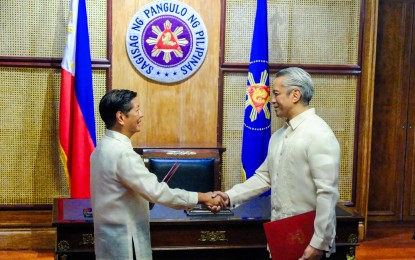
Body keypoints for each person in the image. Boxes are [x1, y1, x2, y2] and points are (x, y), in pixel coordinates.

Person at [212, 67, 340, 260]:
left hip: (309, 241)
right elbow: (264, 177)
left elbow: (327, 193)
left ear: (295, 94)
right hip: (282, 236)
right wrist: (228, 197)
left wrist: (319, 242)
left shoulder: (319, 134)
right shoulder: (279, 136)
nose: (271, 100)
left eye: (276, 93)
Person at [90, 89, 225, 260]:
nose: (142, 114)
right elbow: (157, 192)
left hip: (108, 242)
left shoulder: (101, 148)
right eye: (137, 109)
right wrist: (202, 197)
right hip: (127, 245)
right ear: (121, 117)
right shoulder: (123, 154)